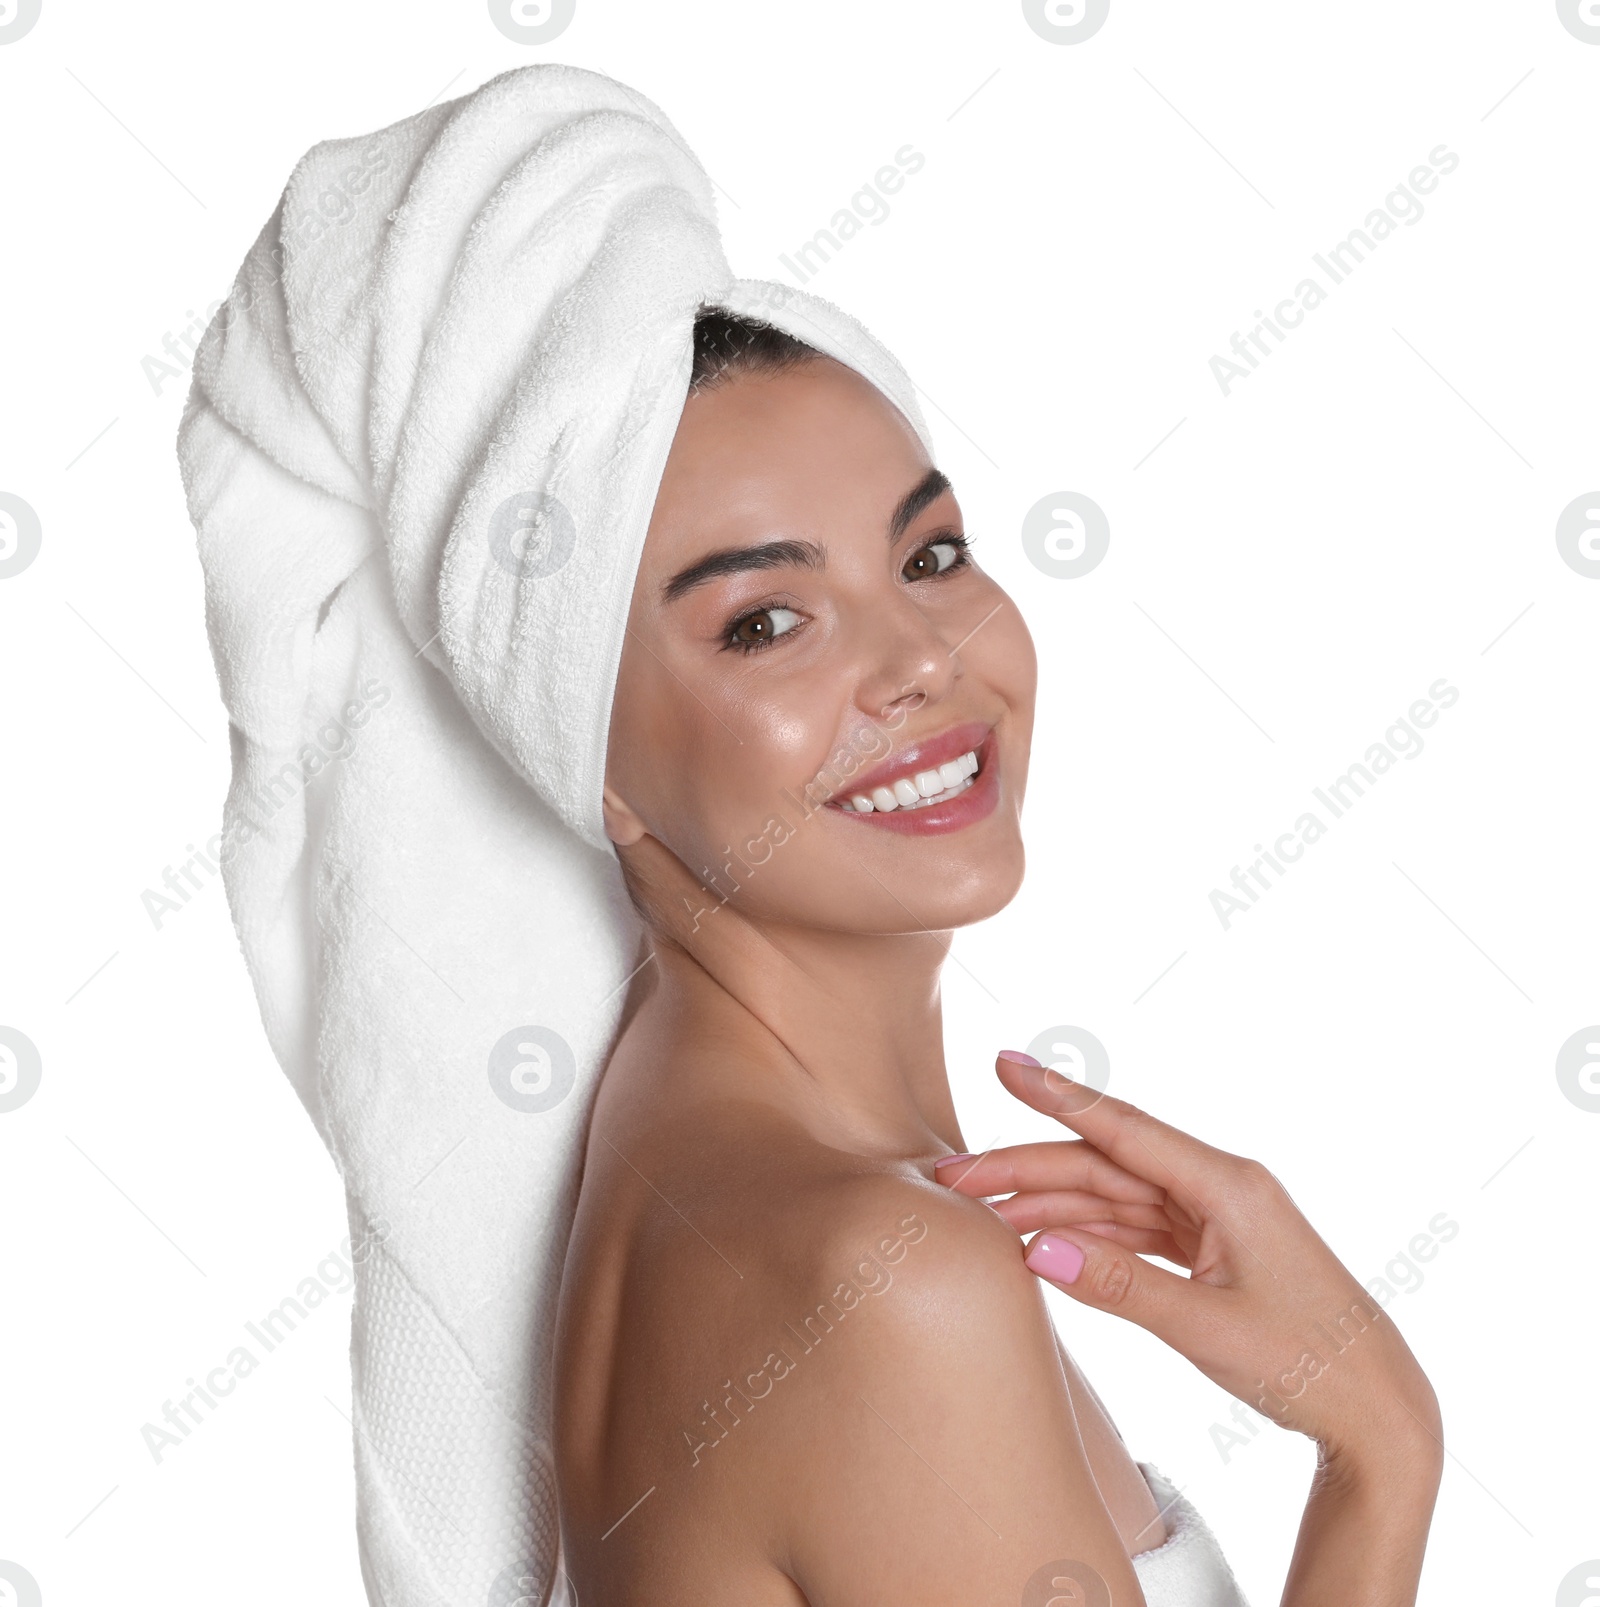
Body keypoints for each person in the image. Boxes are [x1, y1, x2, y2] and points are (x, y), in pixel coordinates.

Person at [552, 310, 1444, 1604]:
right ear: (585, 762)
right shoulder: (883, 1280)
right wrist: (1381, 1446)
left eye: (931, 554)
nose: (923, 657)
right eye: (764, 622)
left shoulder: (695, 1162)